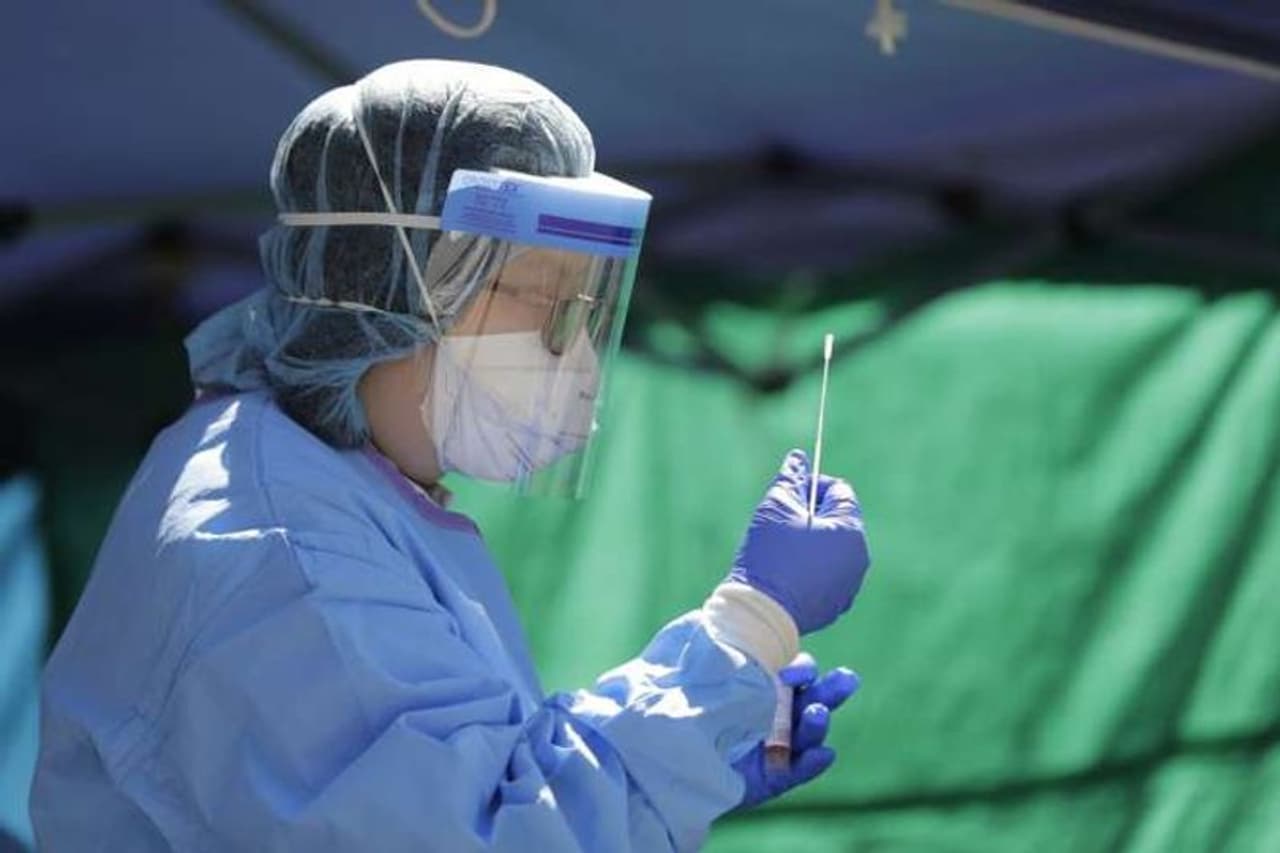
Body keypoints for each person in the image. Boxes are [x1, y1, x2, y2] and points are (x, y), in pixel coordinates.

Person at [30, 60, 870, 851]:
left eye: (583, 305)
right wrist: (747, 628)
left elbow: (472, 772)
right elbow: (483, 833)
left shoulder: (335, 489)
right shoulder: (272, 543)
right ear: (387, 281)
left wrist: (689, 757)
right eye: (537, 295)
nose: (576, 353)